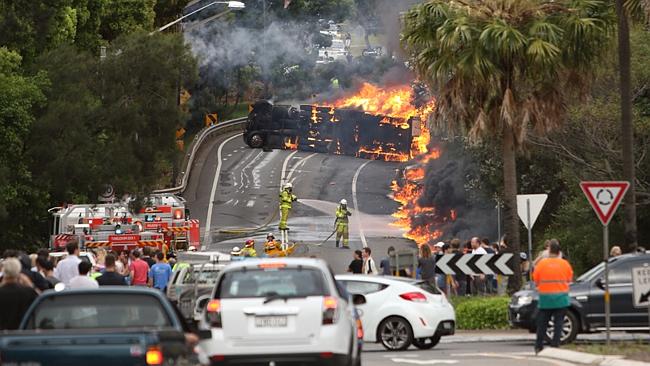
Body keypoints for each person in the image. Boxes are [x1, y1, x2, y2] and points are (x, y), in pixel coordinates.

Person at [533, 241, 573, 354]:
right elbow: (569, 279)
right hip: (561, 298)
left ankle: (538, 346)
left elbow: (536, 280)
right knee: (558, 323)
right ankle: (555, 345)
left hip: (545, 298)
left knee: (543, 323)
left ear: (549, 251)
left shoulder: (541, 264)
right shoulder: (565, 264)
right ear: (559, 251)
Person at [0, 258, 38, 330]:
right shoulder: (28, 292)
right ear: (18, 271)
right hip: (23, 332)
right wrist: (30, 285)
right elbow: (41, 302)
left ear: (3, 270)